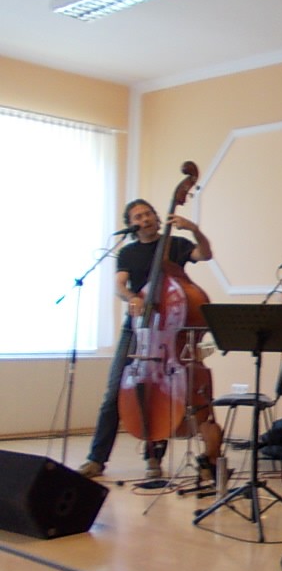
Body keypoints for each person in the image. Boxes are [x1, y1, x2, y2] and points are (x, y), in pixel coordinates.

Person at [78, 199, 215, 480]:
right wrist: (133, 298)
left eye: (148, 214)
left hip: (167, 331)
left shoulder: (175, 244)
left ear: (156, 216)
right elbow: (120, 285)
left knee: (159, 393)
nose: (145, 219)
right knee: (113, 393)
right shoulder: (128, 252)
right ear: (131, 224)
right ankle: (96, 459)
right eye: (138, 217)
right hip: (137, 329)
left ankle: (153, 458)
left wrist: (194, 229)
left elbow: (205, 254)